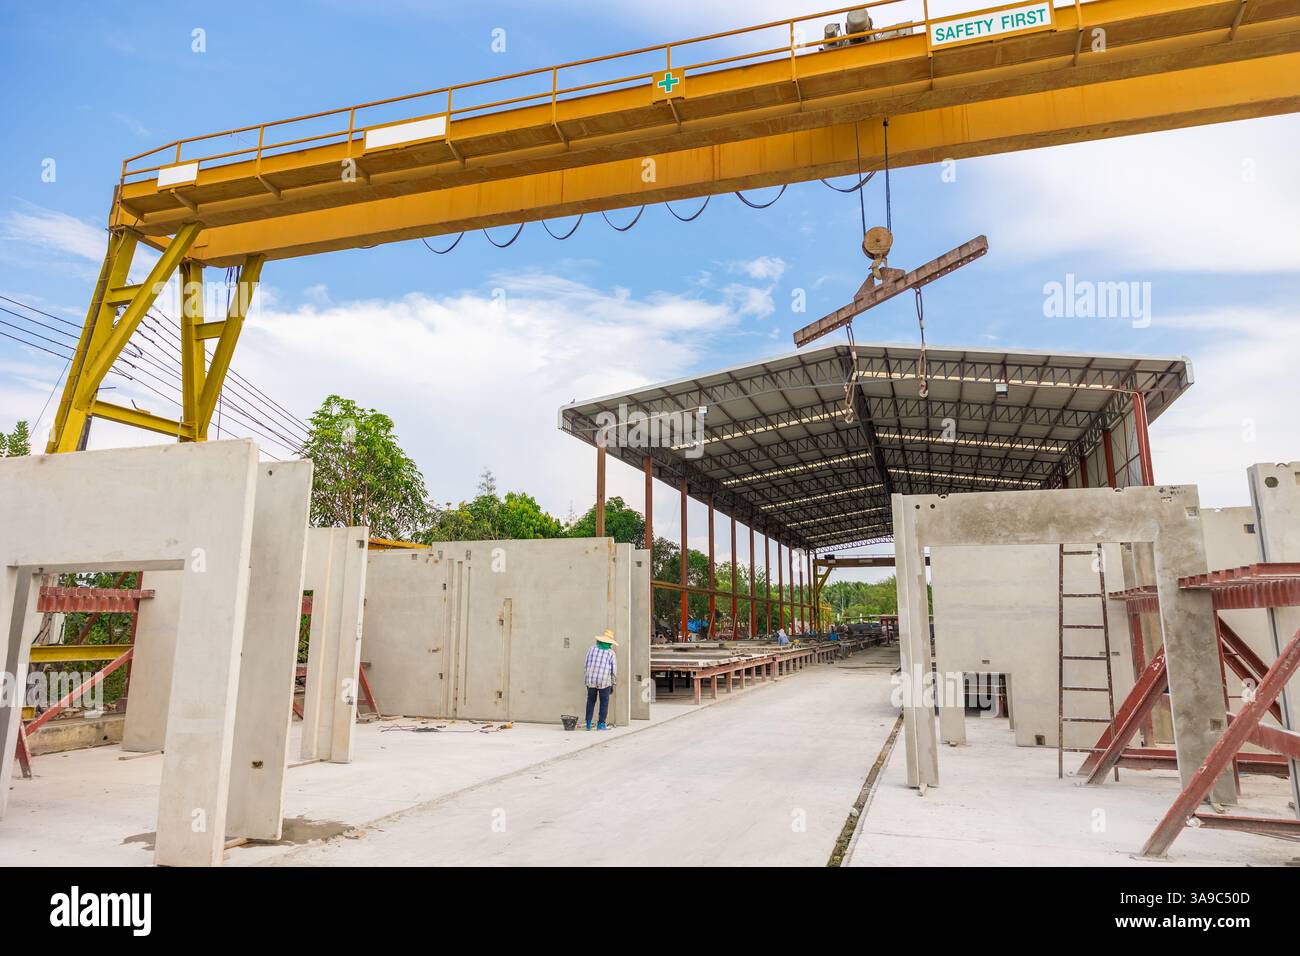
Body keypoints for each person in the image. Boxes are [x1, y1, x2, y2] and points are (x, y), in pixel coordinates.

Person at [583, 629, 618, 731]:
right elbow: (613, 670)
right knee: (604, 702)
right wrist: (613, 683)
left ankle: (588, 723)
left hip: (591, 680)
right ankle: (601, 724)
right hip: (604, 680)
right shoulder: (611, 653)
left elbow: (586, 664)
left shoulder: (592, 649)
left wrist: (587, 678)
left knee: (590, 700)